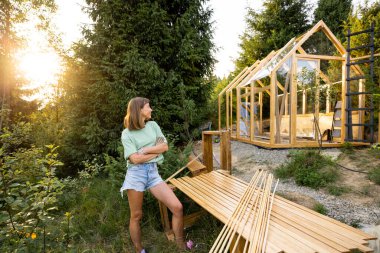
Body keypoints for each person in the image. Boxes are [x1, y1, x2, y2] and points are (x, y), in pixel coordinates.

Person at [120, 97, 186, 253]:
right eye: (148, 107)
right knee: (136, 215)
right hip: (136, 175)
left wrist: (146, 150)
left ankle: (180, 244)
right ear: (140, 110)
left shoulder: (153, 125)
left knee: (177, 207)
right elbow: (134, 159)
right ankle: (139, 250)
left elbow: (164, 146)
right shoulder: (127, 133)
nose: (151, 109)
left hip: (153, 173)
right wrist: (154, 153)